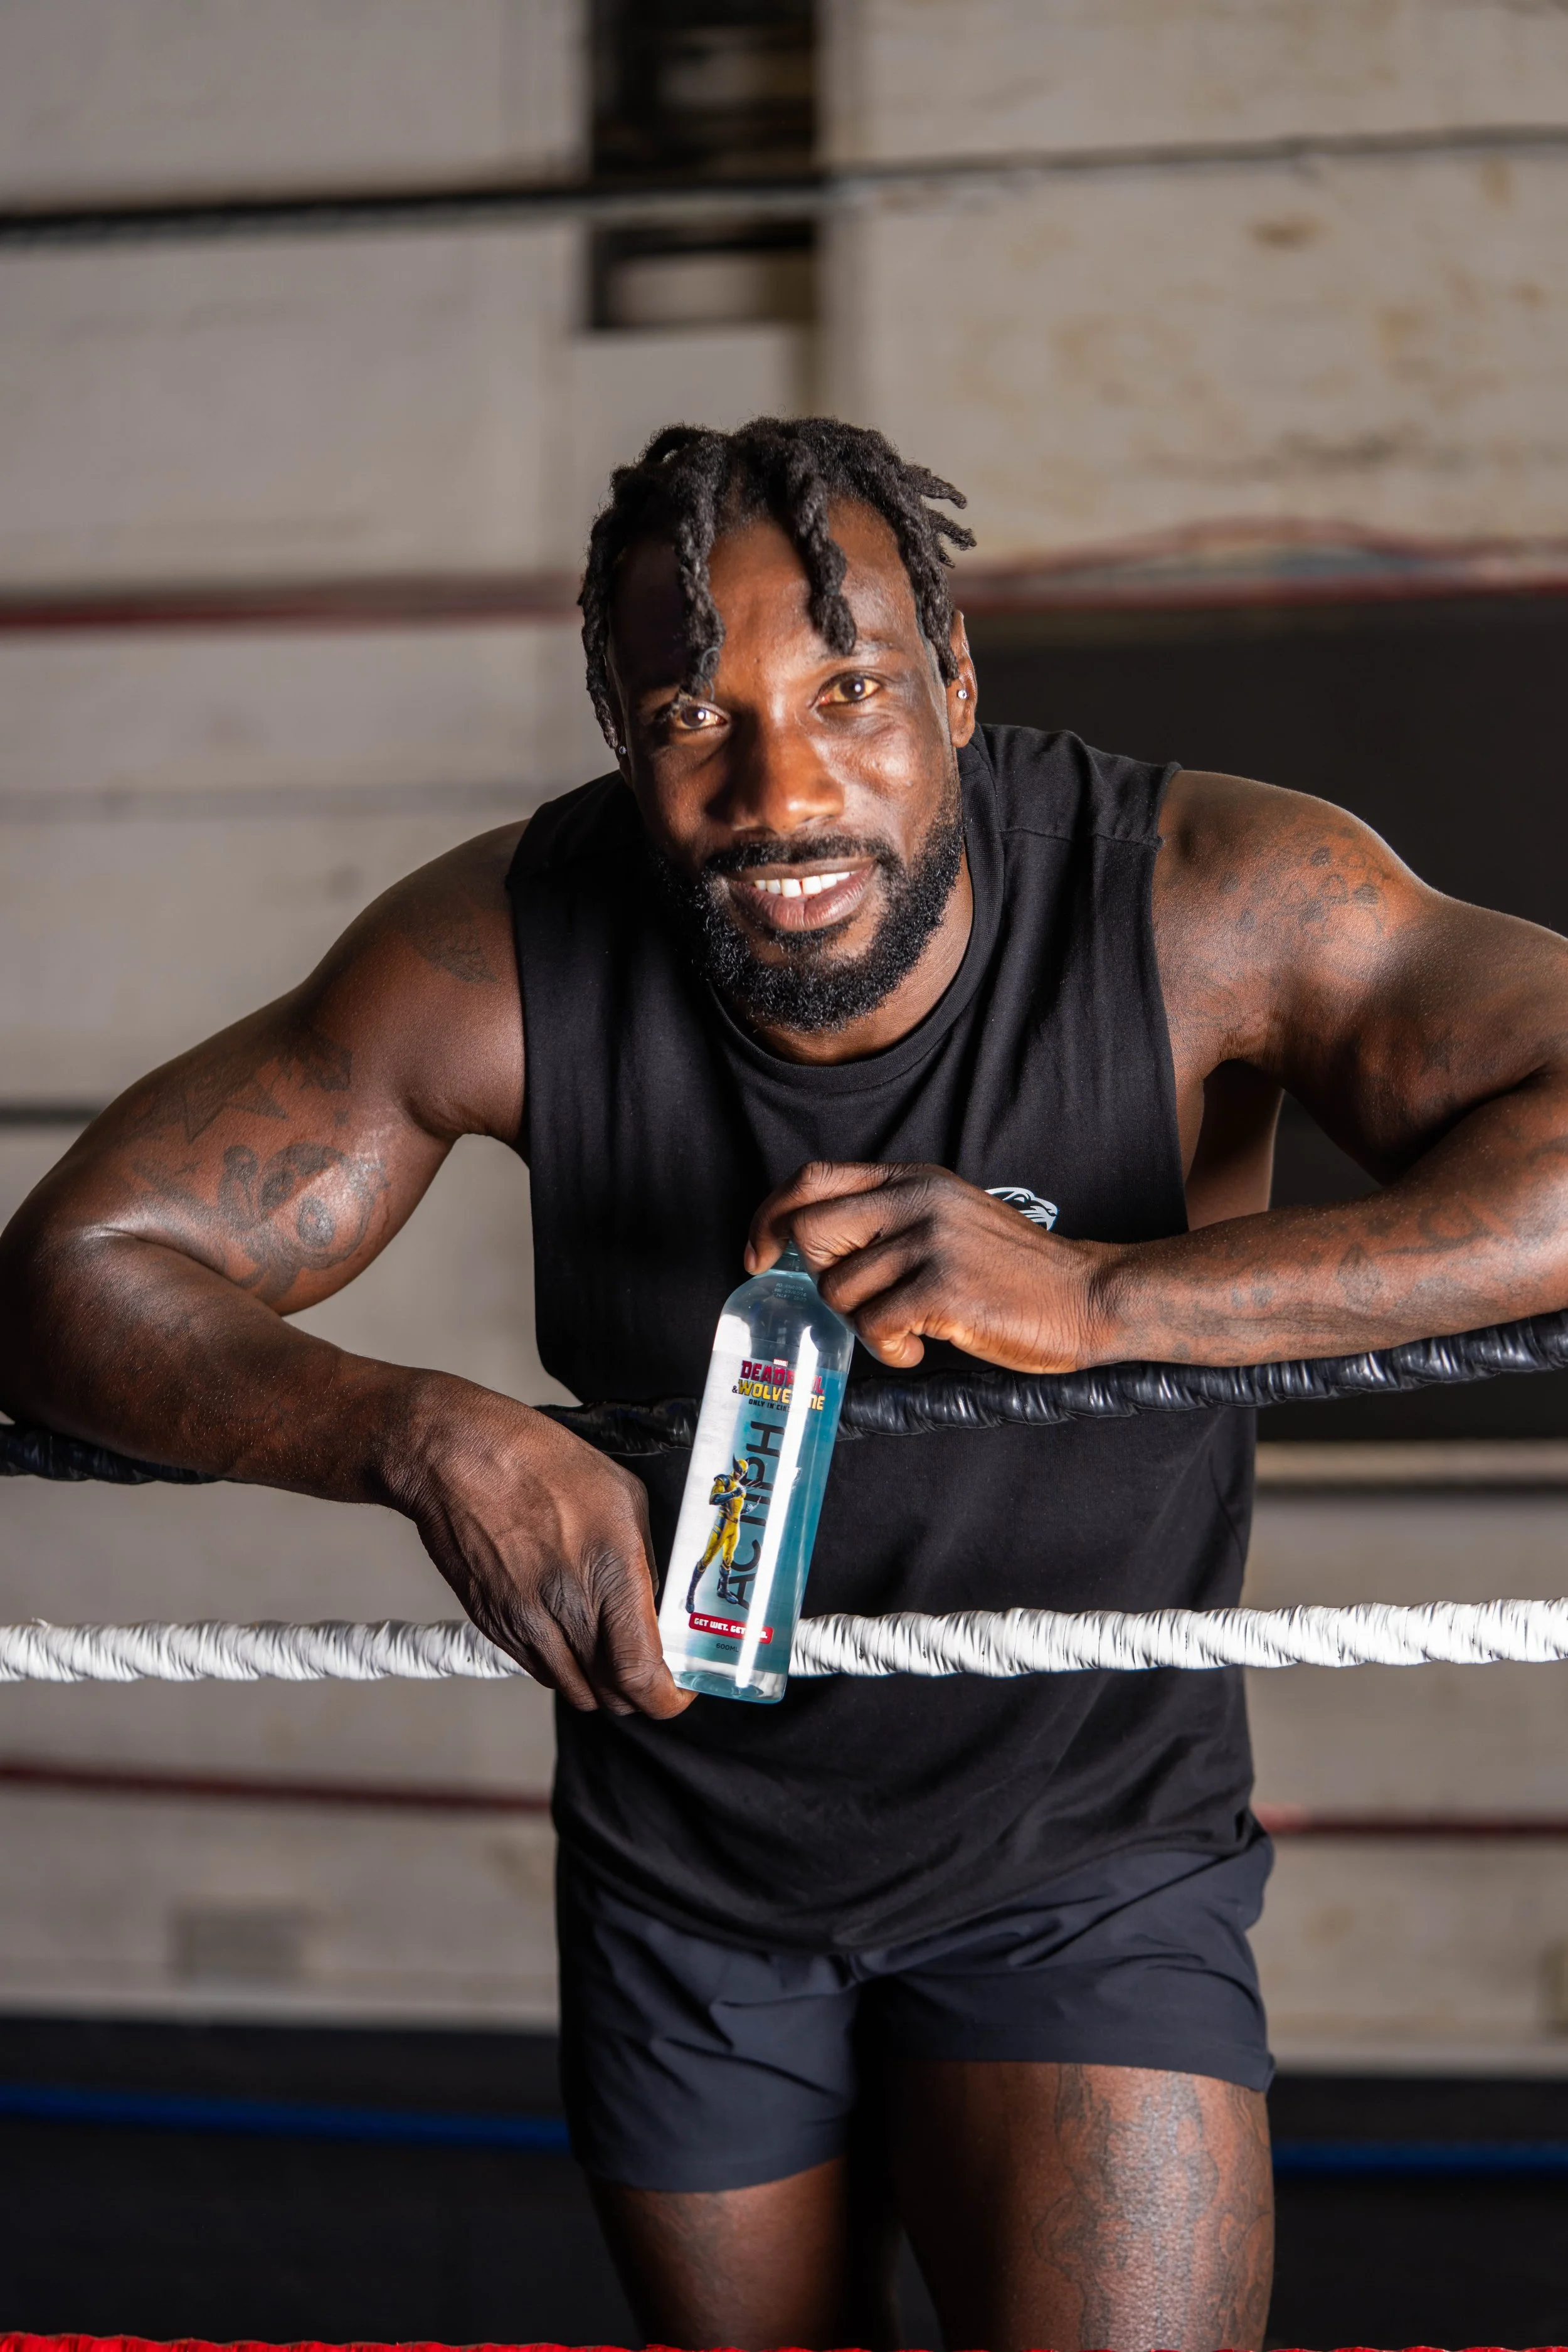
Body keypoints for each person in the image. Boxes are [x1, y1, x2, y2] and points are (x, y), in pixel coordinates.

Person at [4, 416, 1568, 2352]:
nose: (784, 789)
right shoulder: (496, 952)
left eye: (850, 692)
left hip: (1084, 1848)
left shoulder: (1208, 897)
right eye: (690, 716)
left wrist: (1100, 1298)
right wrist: (416, 1434)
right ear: (614, 729)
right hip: (688, 1872)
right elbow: (71, 1278)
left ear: (958, 684)